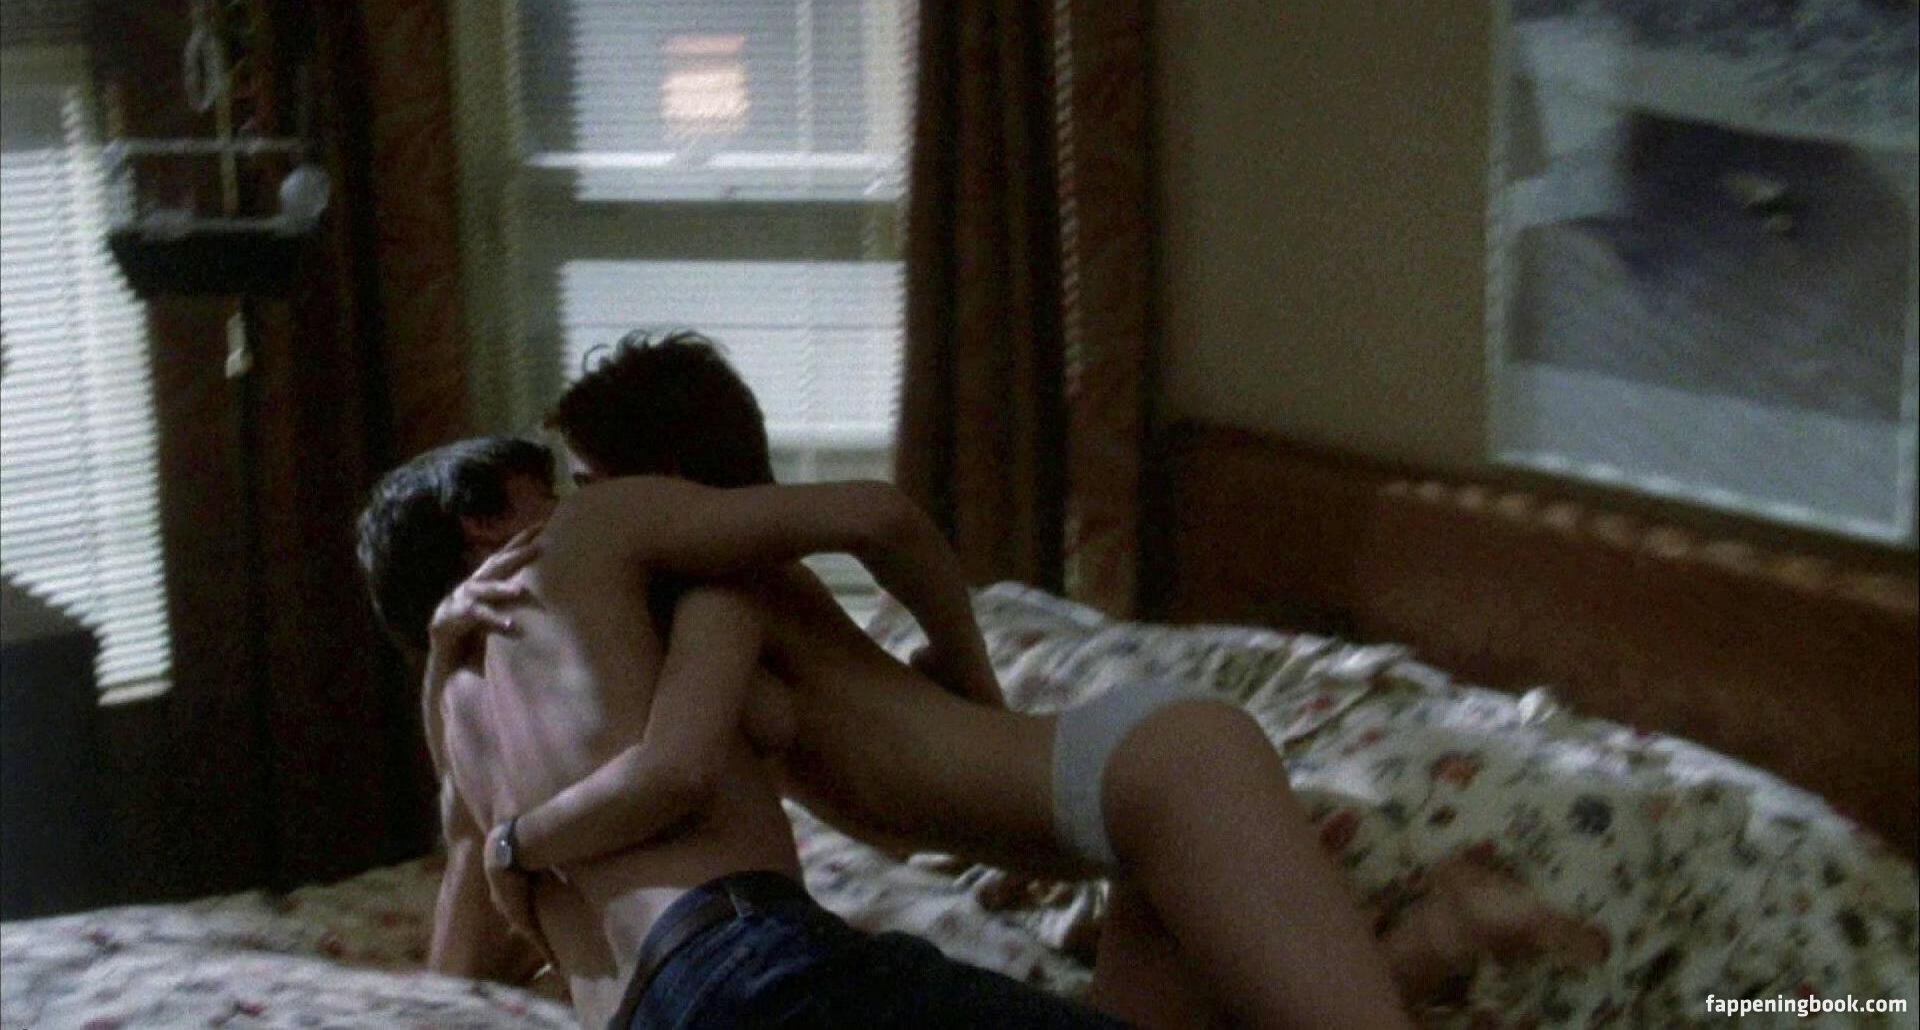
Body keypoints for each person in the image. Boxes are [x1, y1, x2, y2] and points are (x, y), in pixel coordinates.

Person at [432, 335, 1601, 1026]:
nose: (573, 514)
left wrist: (970, 672)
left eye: (589, 481)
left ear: (658, 477)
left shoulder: (724, 600)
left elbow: (882, 518)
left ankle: (1451, 928)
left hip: (1157, 777)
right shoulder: (711, 615)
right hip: (1131, 818)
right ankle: (1436, 936)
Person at [359, 437, 1146, 1028]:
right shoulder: (583, 541)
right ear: (482, 521)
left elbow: (456, 966)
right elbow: (880, 514)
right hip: (742, 961)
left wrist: (509, 840)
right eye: (548, 492)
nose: (569, 502)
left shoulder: (454, 717)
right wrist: (974, 685)